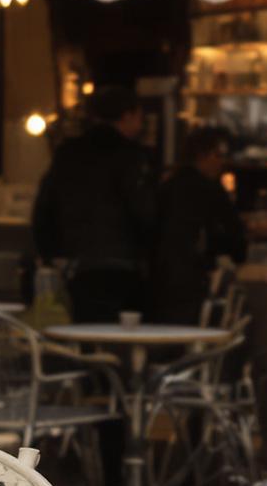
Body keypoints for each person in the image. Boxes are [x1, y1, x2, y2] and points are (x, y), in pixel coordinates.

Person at [32, 87, 158, 323]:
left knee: (85, 334)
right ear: (127, 115)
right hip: (122, 265)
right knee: (119, 339)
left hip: (78, 265)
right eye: (140, 117)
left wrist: (50, 254)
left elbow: (44, 207)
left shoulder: (68, 152)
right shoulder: (131, 156)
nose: (141, 125)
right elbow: (144, 211)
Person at [151, 125, 248, 325]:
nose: (222, 162)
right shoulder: (208, 189)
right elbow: (232, 231)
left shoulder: (167, 185)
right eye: (218, 155)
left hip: (159, 277)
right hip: (192, 275)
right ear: (202, 155)